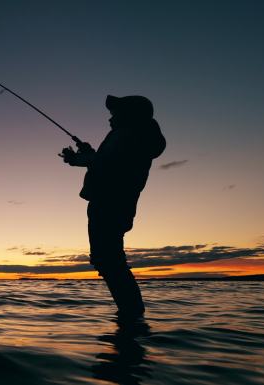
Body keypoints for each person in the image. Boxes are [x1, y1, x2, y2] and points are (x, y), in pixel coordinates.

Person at [60, 95, 166, 319]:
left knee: (108, 260)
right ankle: (131, 314)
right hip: (117, 203)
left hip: (109, 203)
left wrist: (79, 159)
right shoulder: (136, 134)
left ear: (129, 114)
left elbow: (107, 164)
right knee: (108, 259)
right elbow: (111, 162)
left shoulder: (128, 134)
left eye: (115, 113)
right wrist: (89, 154)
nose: (111, 117)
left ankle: (131, 314)